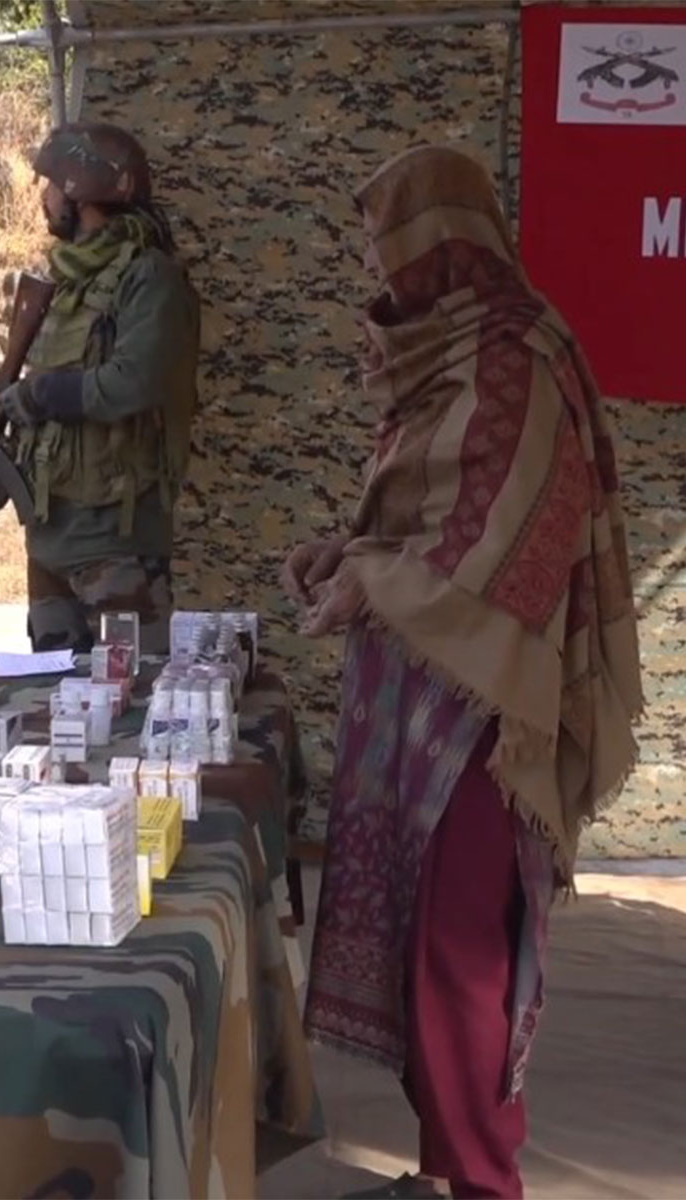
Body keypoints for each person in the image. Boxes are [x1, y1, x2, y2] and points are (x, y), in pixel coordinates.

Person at [286, 146, 644, 1200]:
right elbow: (427, 518)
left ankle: (481, 1182)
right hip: (421, 699)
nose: (376, 275)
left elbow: (516, 550)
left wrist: (375, 586)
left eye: (386, 250)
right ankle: (447, 1173)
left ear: (437, 246)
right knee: (426, 953)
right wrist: (345, 555)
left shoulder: (516, 359)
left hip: (487, 724)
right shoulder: (441, 356)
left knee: (459, 958)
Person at [0, 121, 201, 655]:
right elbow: (35, 414)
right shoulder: (63, 285)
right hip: (49, 543)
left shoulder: (149, 279)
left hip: (116, 547)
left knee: (130, 712)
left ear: (78, 191)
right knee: (58, 710)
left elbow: (132, 384)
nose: (43, 198)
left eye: (50, 185)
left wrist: (41, 395)